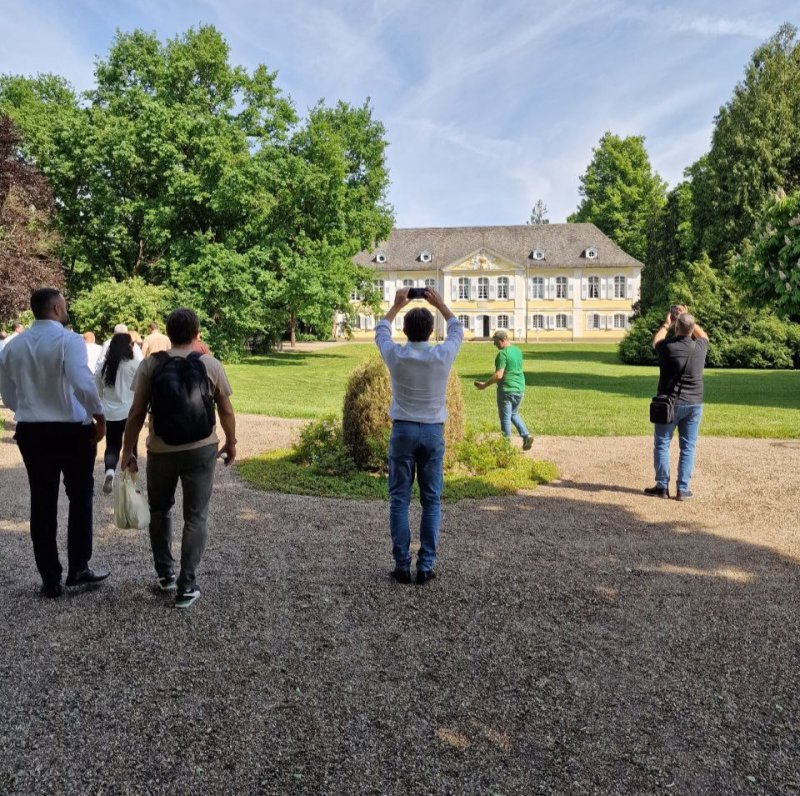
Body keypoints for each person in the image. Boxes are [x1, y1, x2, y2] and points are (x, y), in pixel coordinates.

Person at [120, 308, 237, 609]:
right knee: (195, 516)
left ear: (168, 334)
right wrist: (231, 442)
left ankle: (165, 574)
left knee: (159, 511)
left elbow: (135, 413)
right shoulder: (211, 364)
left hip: (161, 450)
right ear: (197, 334)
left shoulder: (150, 365)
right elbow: (225, 410)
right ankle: (187, 585)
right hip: (201, 448)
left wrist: (128, 450)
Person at [0, 288, 110, 598]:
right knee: (80, 495)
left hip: (32, 430)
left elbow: (7, 393)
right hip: (70, 430)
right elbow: (81, 381)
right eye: (64, 304)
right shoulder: (68, 341)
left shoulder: (13, 345)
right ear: (56, 307)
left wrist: (31, 407)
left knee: (43, 500)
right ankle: (78, 567)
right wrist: (98, 415)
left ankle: (50, 577)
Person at [375, 288, 463, 585]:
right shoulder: (441, 355)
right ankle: (425, 566)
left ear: (405, 330)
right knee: (431, 501)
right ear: (430, 331)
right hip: (432, 430)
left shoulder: (397, 355)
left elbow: (381, 330)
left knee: (400, 499)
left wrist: (397, 305)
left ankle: (402, 565)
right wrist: (439, 303)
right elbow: (456, 328)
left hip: (403, 429)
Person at [645, 305, 709, 501]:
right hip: (693, 403)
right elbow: (704, 335)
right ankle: (682, 489)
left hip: (669, 404)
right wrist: (686, 318)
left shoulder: (668, 348)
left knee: (662, 444)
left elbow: (656, 340)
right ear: (692, 328)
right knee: (688, 446)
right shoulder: (700, 347)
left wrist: (667, 323)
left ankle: (662, 487)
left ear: (676, 328)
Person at [473, 329, 533, 450]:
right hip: (520, 388)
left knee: (505, 418)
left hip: (507, 390)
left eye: (496, 341)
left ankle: (505, 447)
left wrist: (485, 385)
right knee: (513, 413)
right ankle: (526, 435)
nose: (494, 344)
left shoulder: (502, 354)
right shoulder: (517, 351)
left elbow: (499, 375)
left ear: (503, 340)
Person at [95, 333, 139, 495]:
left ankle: (110, 473)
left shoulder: (103, 368)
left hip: (110, 412)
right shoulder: (134, 364)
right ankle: (130, 483)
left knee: (112, 445)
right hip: (130, 411)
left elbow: (98, 391)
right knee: (131, 445)